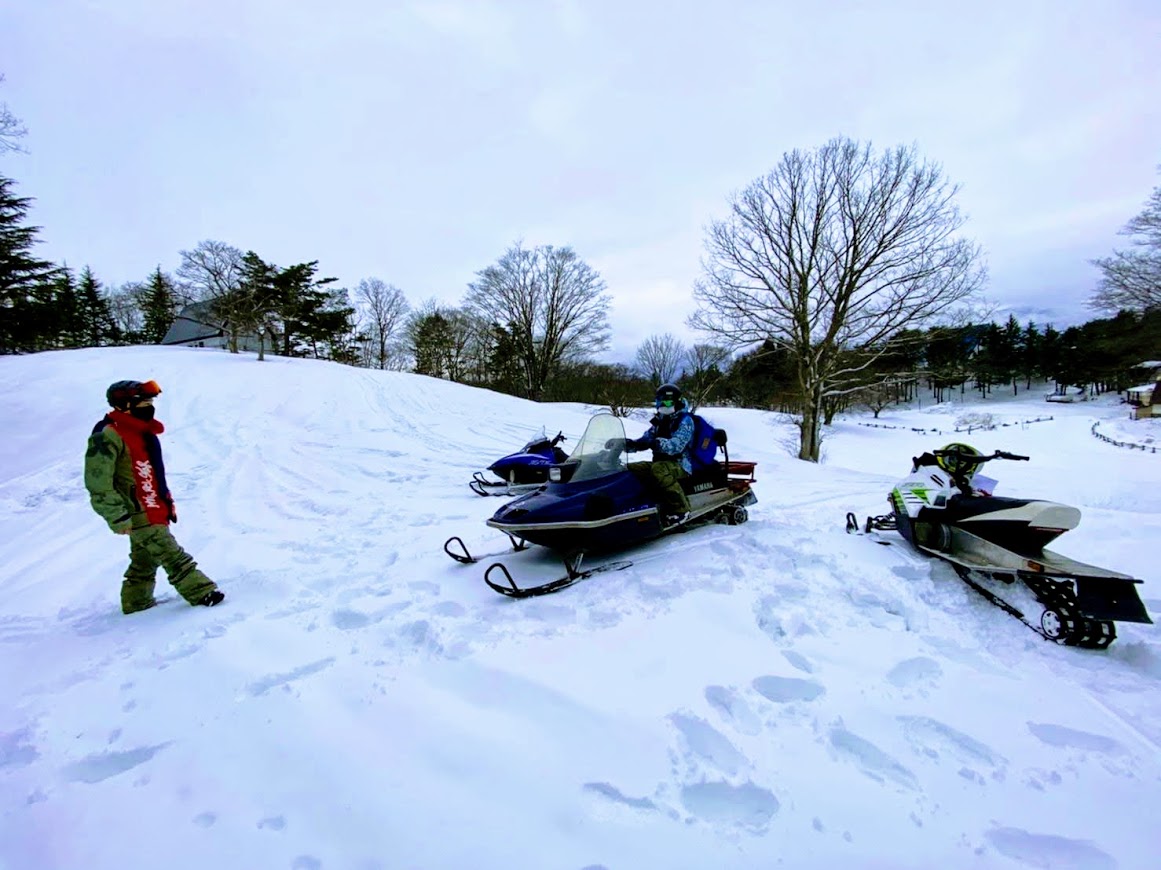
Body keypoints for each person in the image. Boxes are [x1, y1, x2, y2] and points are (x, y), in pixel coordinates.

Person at [84, 379, 225, 614]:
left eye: (150, 401)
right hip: (136, 510)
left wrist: (165, 502)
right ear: (125, 405)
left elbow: (152, 474)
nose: (149, 406)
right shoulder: (108, 435)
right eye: (144, 402)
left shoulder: (142, 432)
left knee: (144, 561)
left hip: (152, 507)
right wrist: (115, 515)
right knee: (172, 555)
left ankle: (136, 603)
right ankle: (201, 592)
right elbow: (97, 482)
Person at [621, 383, 695, 527]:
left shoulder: (685, 421)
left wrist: (657, 443)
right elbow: (647, 438)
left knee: (659, 469)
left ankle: (681, 509)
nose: (662, 404)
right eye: (659, 401)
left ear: (676, 401)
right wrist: (629, 444)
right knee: (629, 469)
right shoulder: (661, 420)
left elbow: (677, 445)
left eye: (666, 401)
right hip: (661, 463)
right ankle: (635, 503)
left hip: (681, 464)